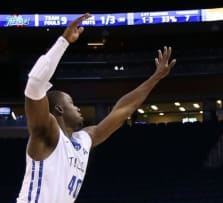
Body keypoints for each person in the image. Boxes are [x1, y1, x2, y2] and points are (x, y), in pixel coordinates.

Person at [16, 13, 176, 203]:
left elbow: (122, 110)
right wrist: (63, 41)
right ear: (58, 109)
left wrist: (154, 79)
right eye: (71, 103)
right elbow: (34, 84)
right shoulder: (47, 132)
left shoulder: (83, 140)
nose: (78, 108)